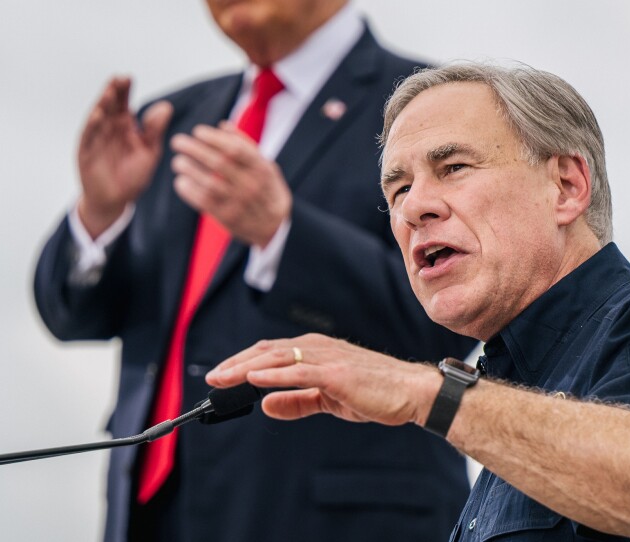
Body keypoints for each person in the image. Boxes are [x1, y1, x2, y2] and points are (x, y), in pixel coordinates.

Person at [206, 61, 630, 541]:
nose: (413, 208)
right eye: (397, 189)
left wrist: (420, 388)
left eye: (453, 168)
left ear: (567, 187)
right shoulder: (506, 408)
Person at [34, 1, 475, 541]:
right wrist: (99, 216)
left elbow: (449, 318)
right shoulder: (170, 121)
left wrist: (283, 233)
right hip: (154, 514)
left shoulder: (432, 110)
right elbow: (70, 316)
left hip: (337, 517)